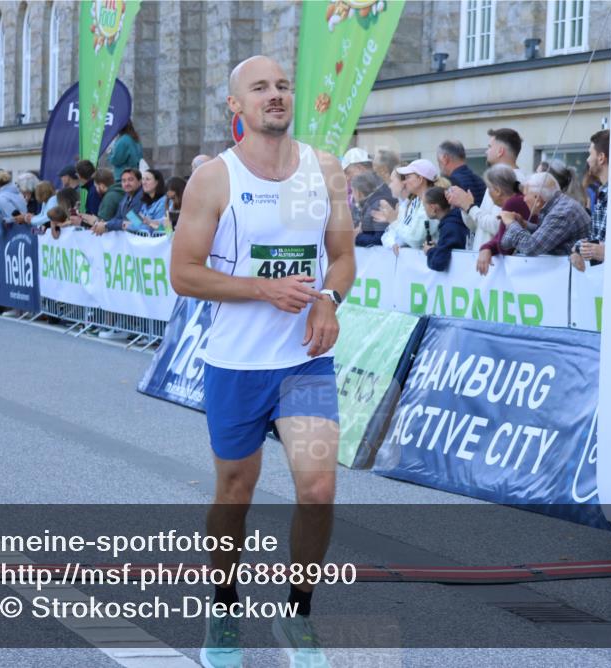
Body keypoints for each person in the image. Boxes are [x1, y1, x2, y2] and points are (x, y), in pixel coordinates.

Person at [170, 54, 354, 668]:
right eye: (260, 88)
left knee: (320, 487)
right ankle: (223, 606)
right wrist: (262, 288)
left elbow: (343, 257)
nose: (275, 95)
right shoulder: (214, 179)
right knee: (235, 491)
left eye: (281, 86)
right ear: (236, 106)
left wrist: (327, 299)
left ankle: (298, 614)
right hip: (235, 363)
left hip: (302, 362)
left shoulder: (325, 170)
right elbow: (184, 274)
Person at [447, 128, 527, 249]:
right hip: (485, 259)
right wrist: (465, 206)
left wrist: (470, 207)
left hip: (497, 261)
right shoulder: (497, 178)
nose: (486, 152)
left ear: (500, 151)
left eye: (489, 147)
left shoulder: (514, 180)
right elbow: (478, 227)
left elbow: (498, 225)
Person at [501, 172, 590, 256]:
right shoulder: (556, 205)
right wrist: (524, 225)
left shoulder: (560, 213)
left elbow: (530, 247)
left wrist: (511, 223)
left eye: (526, 195)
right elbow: (545, 233)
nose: (524, 199)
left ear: (538, 199)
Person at [475, 165, 532, 275]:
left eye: (489, 188)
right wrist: (487, 247)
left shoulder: (512, 203)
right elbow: (501, 238)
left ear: (497, 191)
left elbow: (504, 246)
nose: (488, 193)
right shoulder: (519, 199)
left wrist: (487, 248)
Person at [379, 159, 438, 253]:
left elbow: (415, 240)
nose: (404, 182)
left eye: (408, 177)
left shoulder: (433, 202)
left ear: (420, 179)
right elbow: (406, 235)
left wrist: (394, 221)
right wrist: (397, 242)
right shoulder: (416, 202)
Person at [571, 129, 610, 271]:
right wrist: (576, 249)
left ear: (601, 157)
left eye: (590, 153)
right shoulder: (603, 191)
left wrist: (607, 252)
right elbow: (595, 239)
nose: (587, 159)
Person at [422, 186, 467, 271]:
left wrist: (429, 251)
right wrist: (438, 248)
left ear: (433, 208)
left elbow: (438, 263)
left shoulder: (450, 227)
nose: (424, 210)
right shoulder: (452, 222)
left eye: (424, 206)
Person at [90, 168, 145, 235]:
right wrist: (105, 224)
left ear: (140, 182)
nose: (127, 183)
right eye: (124, 181)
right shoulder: (126, 197)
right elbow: (118, 217)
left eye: (130, 180)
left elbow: (133, 222)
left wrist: (106, 224)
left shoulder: (142, 197)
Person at [436, 139, 486, 211]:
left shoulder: (450, 183)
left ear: (445, 159)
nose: (439, 166)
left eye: (438, 161)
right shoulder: (480, 180)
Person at [351, 170, 397, 247]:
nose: (352, 195)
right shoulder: (369, 204)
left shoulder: (377, 205)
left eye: (353, 191)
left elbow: (379, 238)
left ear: (358, 192)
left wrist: (356, 237)